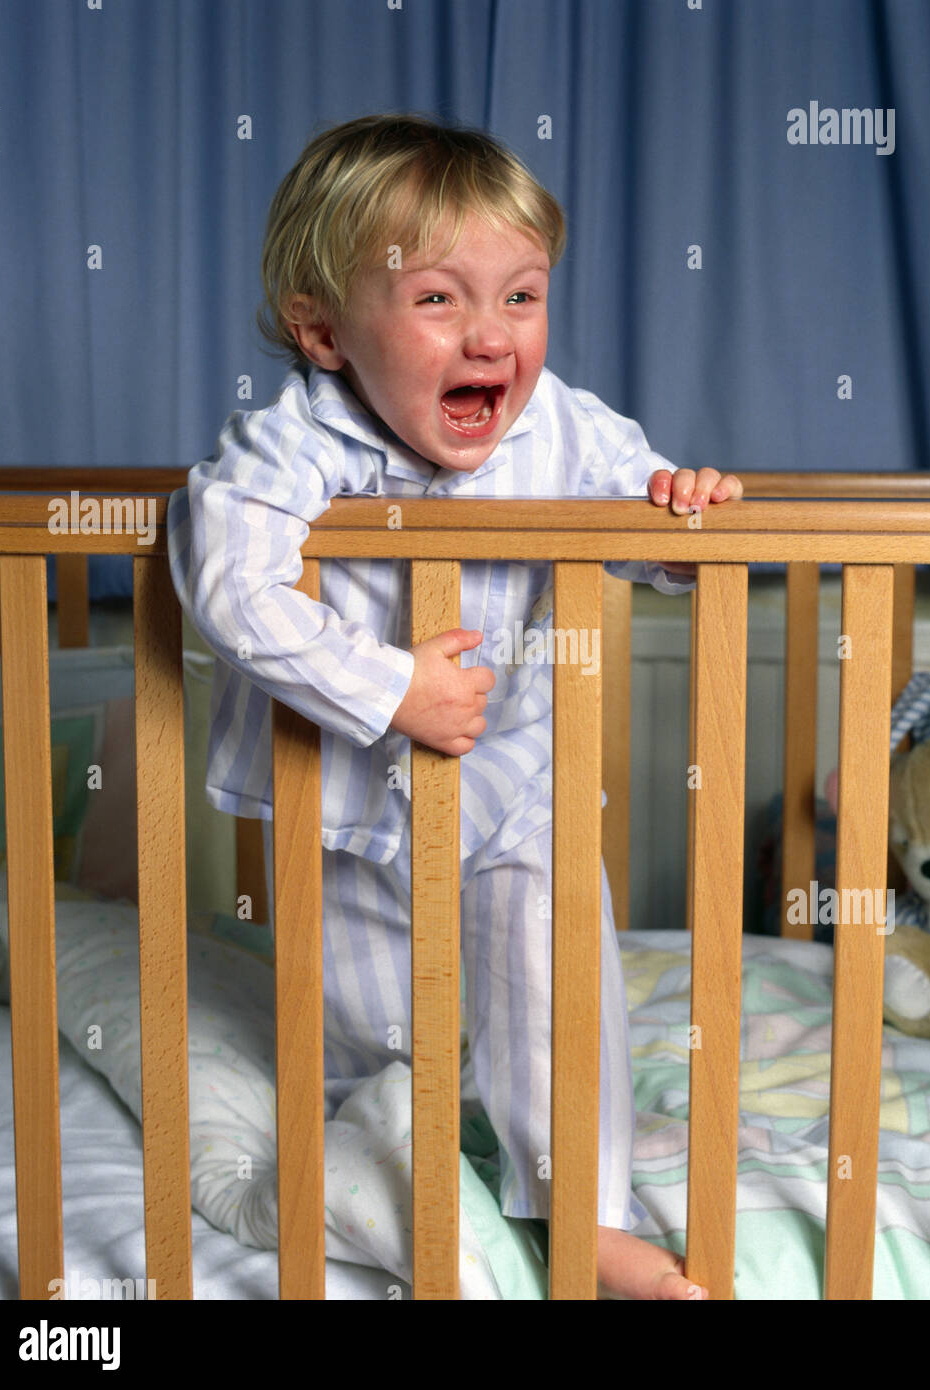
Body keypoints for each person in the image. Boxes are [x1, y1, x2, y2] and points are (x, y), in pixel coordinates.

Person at [167, 112, 741, 1299]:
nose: (492, 335)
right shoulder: (292, 441)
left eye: (522, 298)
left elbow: (639, 514)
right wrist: (390, 688)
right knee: (378, 1043)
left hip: (517, 778)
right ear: (323, 330)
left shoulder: (557, 422)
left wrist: (677, 513)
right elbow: (225, 571)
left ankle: (582, 1213)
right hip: (343, 801)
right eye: (437, 301)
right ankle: (400, 1162)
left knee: (554, 985)